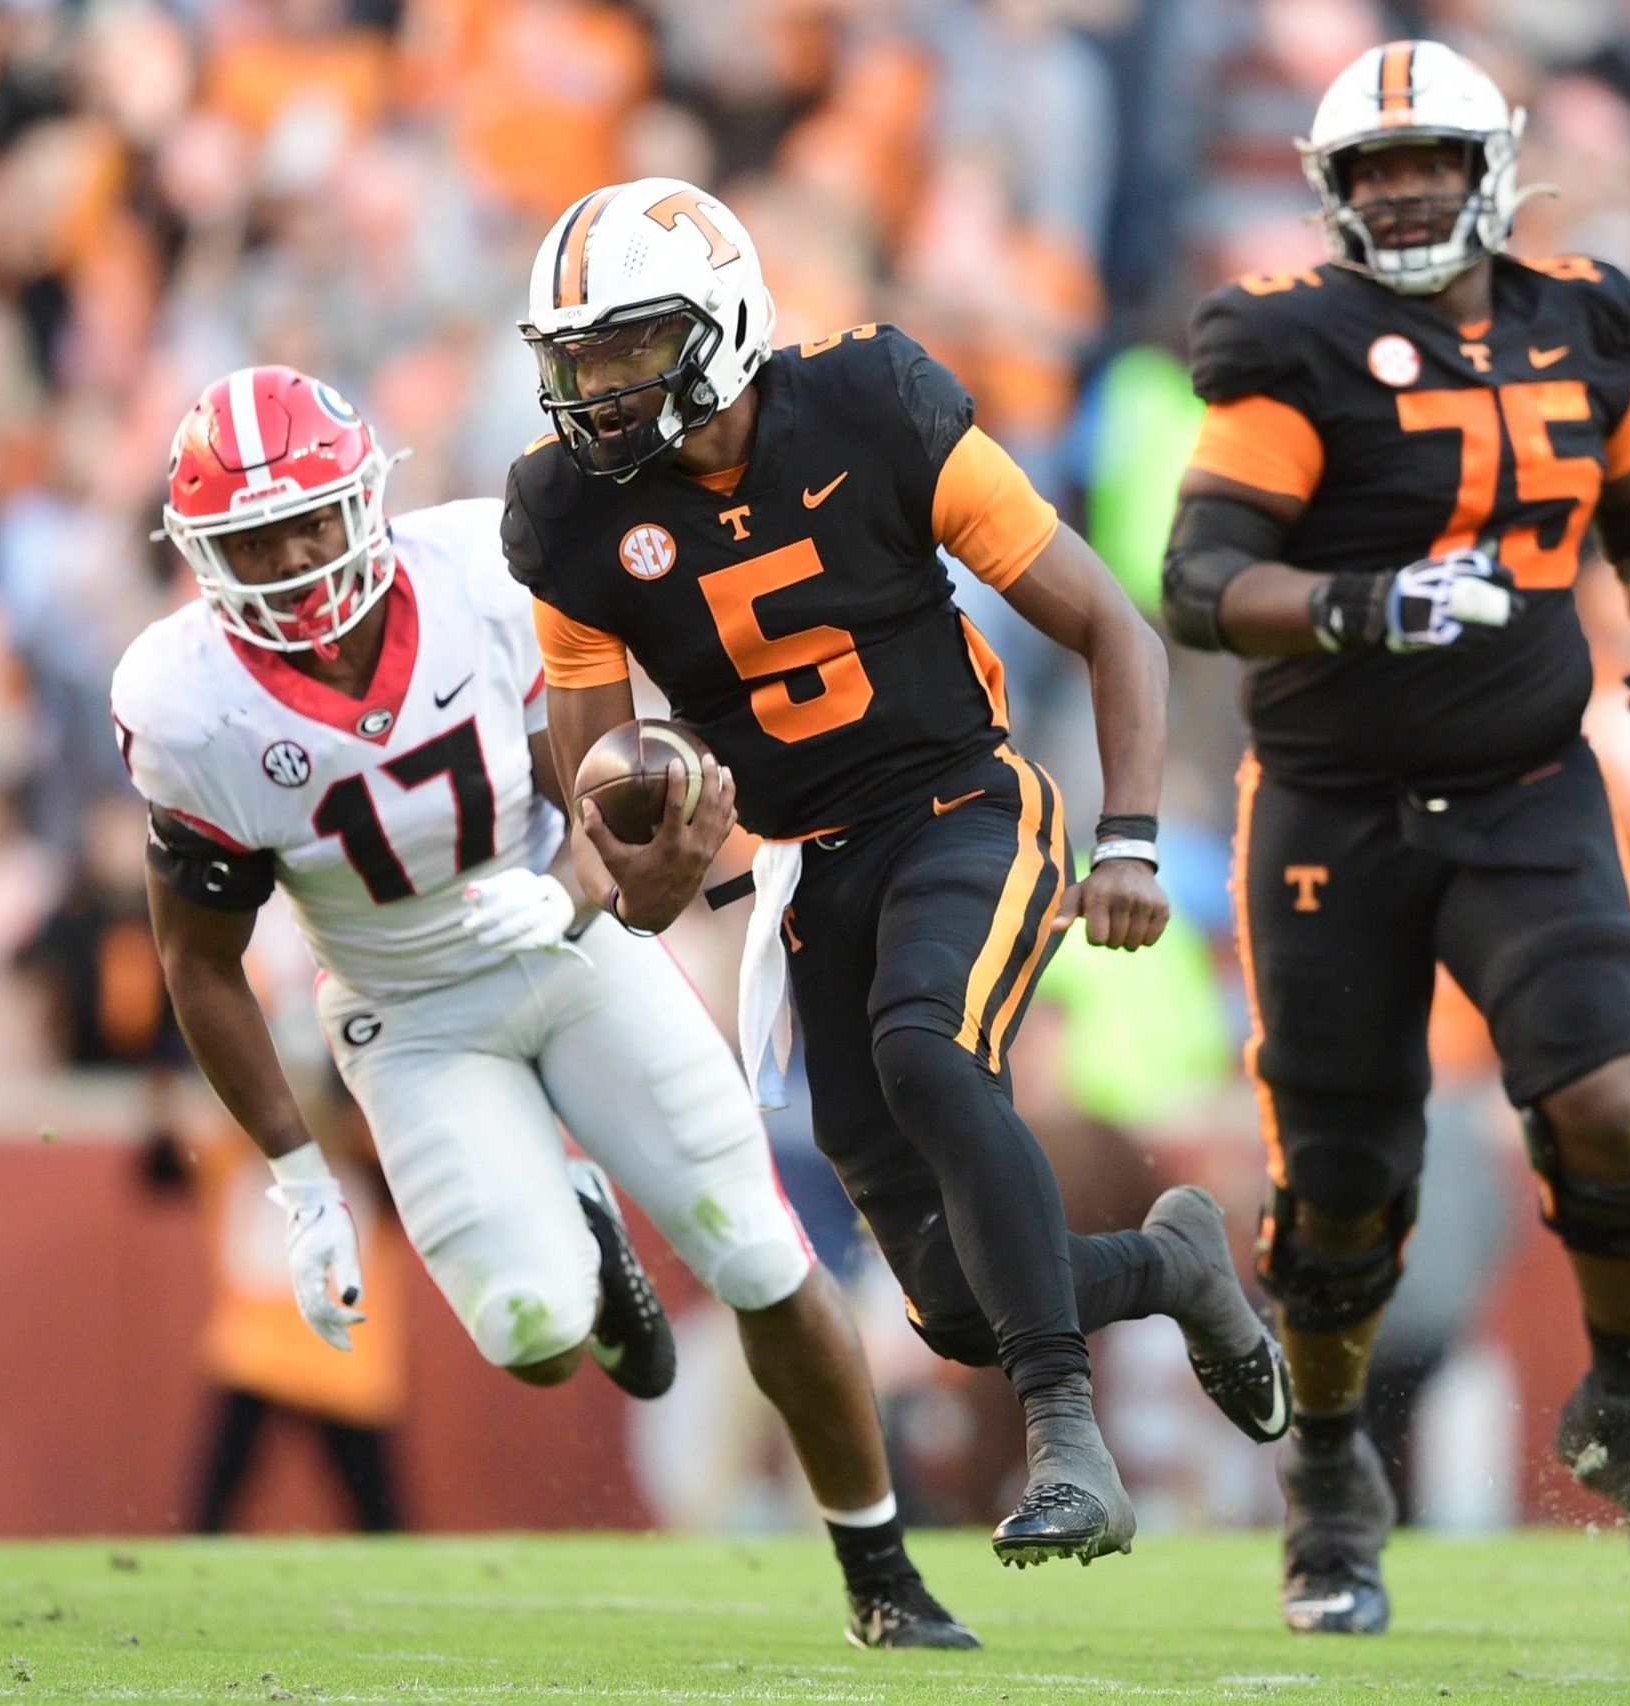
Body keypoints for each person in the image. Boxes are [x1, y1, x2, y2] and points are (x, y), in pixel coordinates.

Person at [113, 365, 974, 1649]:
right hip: (407, 1014)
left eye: (311, 518)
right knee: (532, 1330)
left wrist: (574, 885)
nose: (292, 559)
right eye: (254, 536)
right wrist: (299, 1179)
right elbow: (196, 960)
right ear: (201, 553)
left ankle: (881, 1572)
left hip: (569, 942)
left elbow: (616, 770)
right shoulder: (184, 706)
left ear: (367, 498)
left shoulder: (478, 572)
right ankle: (580, 1215)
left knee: (754, 1246)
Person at [503, 177, 1289, 1568]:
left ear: (721, 325)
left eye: (629, 348)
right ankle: (1172, 1265)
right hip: (814, 866)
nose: (599, 389)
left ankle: (1067, 1438)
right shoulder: (569, 517)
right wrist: (649, 846)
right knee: (946, 1300)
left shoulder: (875, 404)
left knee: (929, 1048)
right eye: (578, 359)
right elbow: (608, 814)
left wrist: (1126, 838)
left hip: (965, 803)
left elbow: (1115, 625)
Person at [1159, 40, 1630, 1631]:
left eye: (1428, 163)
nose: (1403, 191)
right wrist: (1366, 602)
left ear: (1494, 169)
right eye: (1374, 170)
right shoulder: (1295, 346)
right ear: (1331, 189)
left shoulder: (1584, 322)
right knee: (1343, 1193)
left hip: (1524, 785)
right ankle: (1335, 1475)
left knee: (1614, 1103)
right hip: (1331, 813)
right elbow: (1201, 583)